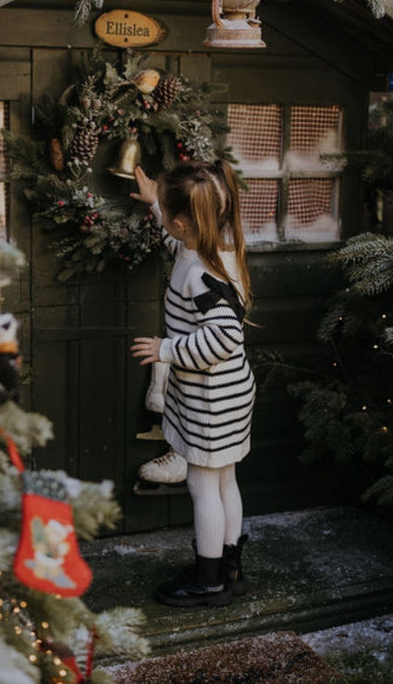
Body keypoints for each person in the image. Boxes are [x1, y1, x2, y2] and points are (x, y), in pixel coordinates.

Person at [130, 161, 255, 607]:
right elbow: (174, 242)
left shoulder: (202, 273)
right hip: (228, 394)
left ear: (183, 221)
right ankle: (229, 567)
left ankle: (209, 581)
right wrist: (152, 206)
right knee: (224, 482)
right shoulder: (208, 245)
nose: (163, 218)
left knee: (203, 487)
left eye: (164, 210)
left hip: (210, 400)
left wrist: (167, 350)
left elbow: (225, 336)